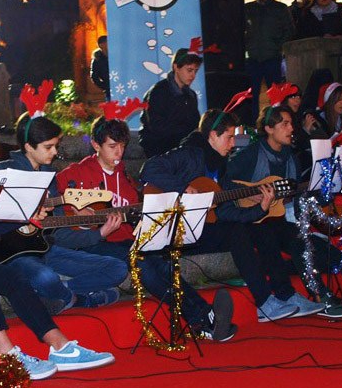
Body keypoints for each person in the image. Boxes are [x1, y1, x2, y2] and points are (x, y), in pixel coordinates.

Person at [57, 111, 237, 341]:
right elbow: (55, 197)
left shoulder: (126, 180)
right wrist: (78, 215)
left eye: (122, 146)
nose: (119, 153)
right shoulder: (77, 173)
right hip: (92, 244)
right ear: (95, 145)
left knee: (162, 261)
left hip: (125, 240)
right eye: (112, 146)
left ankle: (205, 320)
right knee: (143, 263)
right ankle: (205, 319)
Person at [141, 109, 324, 322]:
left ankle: (281, 296)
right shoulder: (189, 154)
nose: (232, 145)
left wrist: (261, 208)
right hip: (178, 229)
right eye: (228, 138)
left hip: (205, 228)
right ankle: (264, 303)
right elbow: (149, 169)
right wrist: (183, 188)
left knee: (259, 226)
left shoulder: (220, 167)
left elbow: (227, 211)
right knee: (236, 232)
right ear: (212, 136)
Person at [0, 109, 130, 313]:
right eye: (49, 147)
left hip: (47, 250)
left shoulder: (49, 177)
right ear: (29, 146)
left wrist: (99, 234)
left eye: (55, 146)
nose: (55, 152)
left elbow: (60, 234)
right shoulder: (4, 172)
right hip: (13, 254)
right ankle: (81, 300)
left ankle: (57, 295)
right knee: (45, 277)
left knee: (118, 268)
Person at [226, 105, 342, 318]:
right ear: (268, 128)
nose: (291, 128)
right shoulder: (251, 155)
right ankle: (296, 295)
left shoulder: (291, 158)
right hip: (248, 220)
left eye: (291, 123)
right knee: (270, 235)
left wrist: (317, 191)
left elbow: (292, 196)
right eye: (284, 123)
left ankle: (316, 293)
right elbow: (225, 181)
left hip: (275, 218)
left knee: (301, 240)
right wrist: (250, 193)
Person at [139, 48, 203, 157]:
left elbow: (195, 123)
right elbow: (156, 127)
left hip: (180, 145)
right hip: (158, 146)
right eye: (189, 70)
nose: (193, 75)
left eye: (195, 71)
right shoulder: (158, 92)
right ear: (176, 67)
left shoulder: (191, 95)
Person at [244, 0, 294, 98]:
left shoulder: (280, 9)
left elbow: (289, 30)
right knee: (252, 95)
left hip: (271, 56)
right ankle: (255, 116)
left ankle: (275, 116)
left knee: (275, 94)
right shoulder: (248, 8)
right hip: (254, 56)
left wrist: (278, 47)